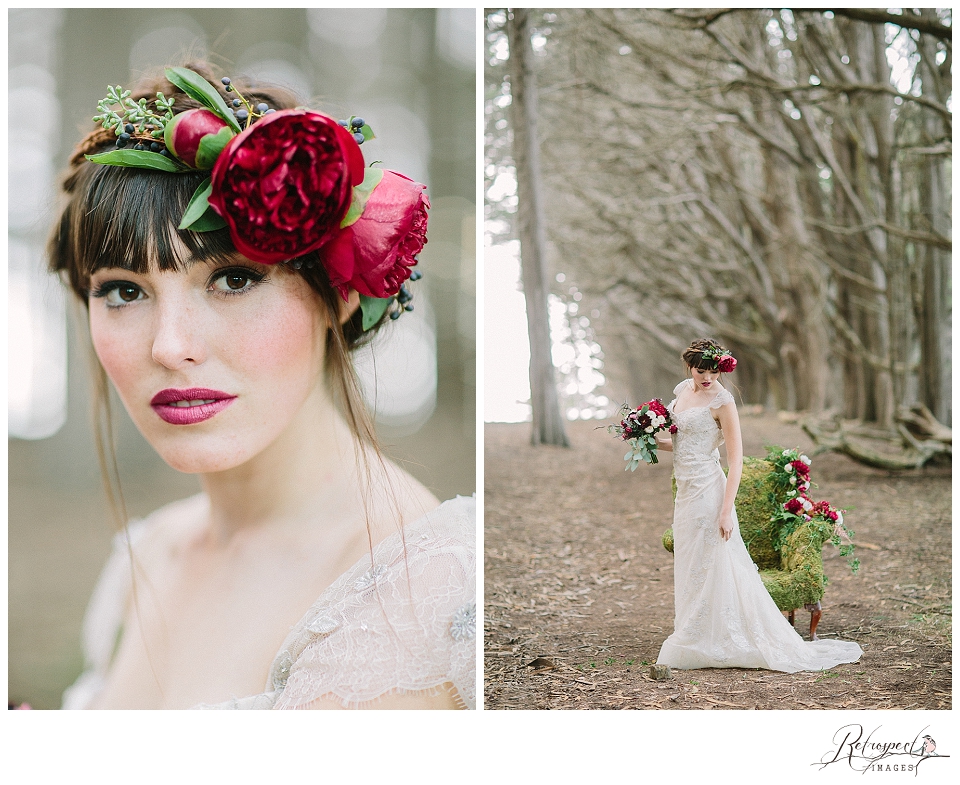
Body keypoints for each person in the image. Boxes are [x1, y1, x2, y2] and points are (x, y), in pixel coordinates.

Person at [49, 63, 475, 709]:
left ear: (339, 290)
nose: (169, 345)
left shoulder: (422, 593)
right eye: (123, 290)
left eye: (235, 279)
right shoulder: (147, 558)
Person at [653, 339, 861, 672]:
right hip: (686, 492)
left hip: (709, 489)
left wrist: (725, 510)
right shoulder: (681, 393)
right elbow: (680, 444)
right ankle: (694, 631)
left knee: (715, 560)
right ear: (689, 367)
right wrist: (646, 437)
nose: (707, 377)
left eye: (713, 370)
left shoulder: (723, 401)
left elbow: (734, 462)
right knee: (692, 564)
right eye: (701, 370)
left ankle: (721, 637)